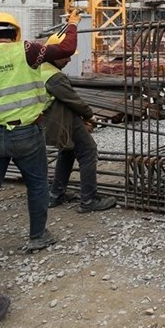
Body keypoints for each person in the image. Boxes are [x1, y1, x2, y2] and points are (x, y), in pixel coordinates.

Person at [0, 10, 81, 278]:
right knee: (36, 185)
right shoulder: (25, 50)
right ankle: (38, 236)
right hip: (26, 133)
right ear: (15, 34)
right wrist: (72, 23)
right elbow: (66, 48)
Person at [40, 30, 116, 213]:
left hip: (54, 120)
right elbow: (73, 100)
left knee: (67, 152)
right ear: (56, 54)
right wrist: (90, 116)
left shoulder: (40, 70)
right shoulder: (54, 76)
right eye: (66, 56)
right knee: (88, 151)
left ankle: (55, 195)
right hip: (61, 120)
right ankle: (89, 200)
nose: (69, 60)